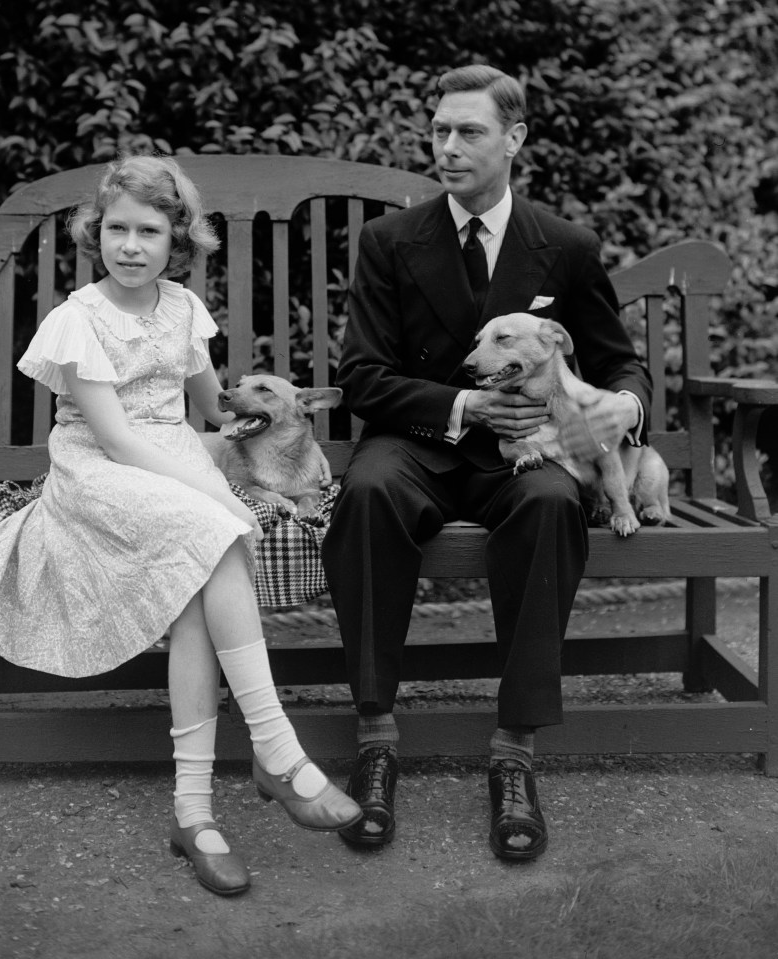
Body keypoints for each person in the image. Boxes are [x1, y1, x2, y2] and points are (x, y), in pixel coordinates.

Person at [0, 154, 361, 896]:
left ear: (176, 239)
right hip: (101, 472)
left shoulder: (182, 308)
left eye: (148, 230)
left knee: (197, 598)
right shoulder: (77, 319)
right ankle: (278, 753)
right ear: (95, 232)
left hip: (176, 461)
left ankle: (194, 813)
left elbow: (213, 409)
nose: (129, 245)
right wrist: (219, 496)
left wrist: (279, 424)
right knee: (214, 532)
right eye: (115, 227)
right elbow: (117, 440)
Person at [321, 64, 652, 860]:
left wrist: (625, 407)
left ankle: (513, 753)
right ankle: (375, 740)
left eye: (468, 131)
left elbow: (618, 363)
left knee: (548, 503)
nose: (447, 146)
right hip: (418, 443)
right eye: (438, 130)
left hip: (530, 449)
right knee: (364, 492)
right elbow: (361, 376)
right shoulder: (388, 241)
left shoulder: (565, 247)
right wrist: (462, 405)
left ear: (514, 140)